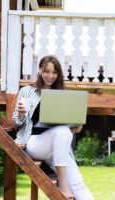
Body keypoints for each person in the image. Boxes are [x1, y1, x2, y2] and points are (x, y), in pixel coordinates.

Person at [12, 55, 94, 200]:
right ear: (39, 70)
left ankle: (67, 183)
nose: (50, 76)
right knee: (62, 132)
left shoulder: (61, 95)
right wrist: (20, 113)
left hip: (58, 146)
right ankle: (62, 183)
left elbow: (68, 127)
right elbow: (17, 122)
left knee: (78, 183)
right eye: (47, 71)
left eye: (54, 72)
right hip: (35, 143)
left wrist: (75, 125)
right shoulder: (27, 91)